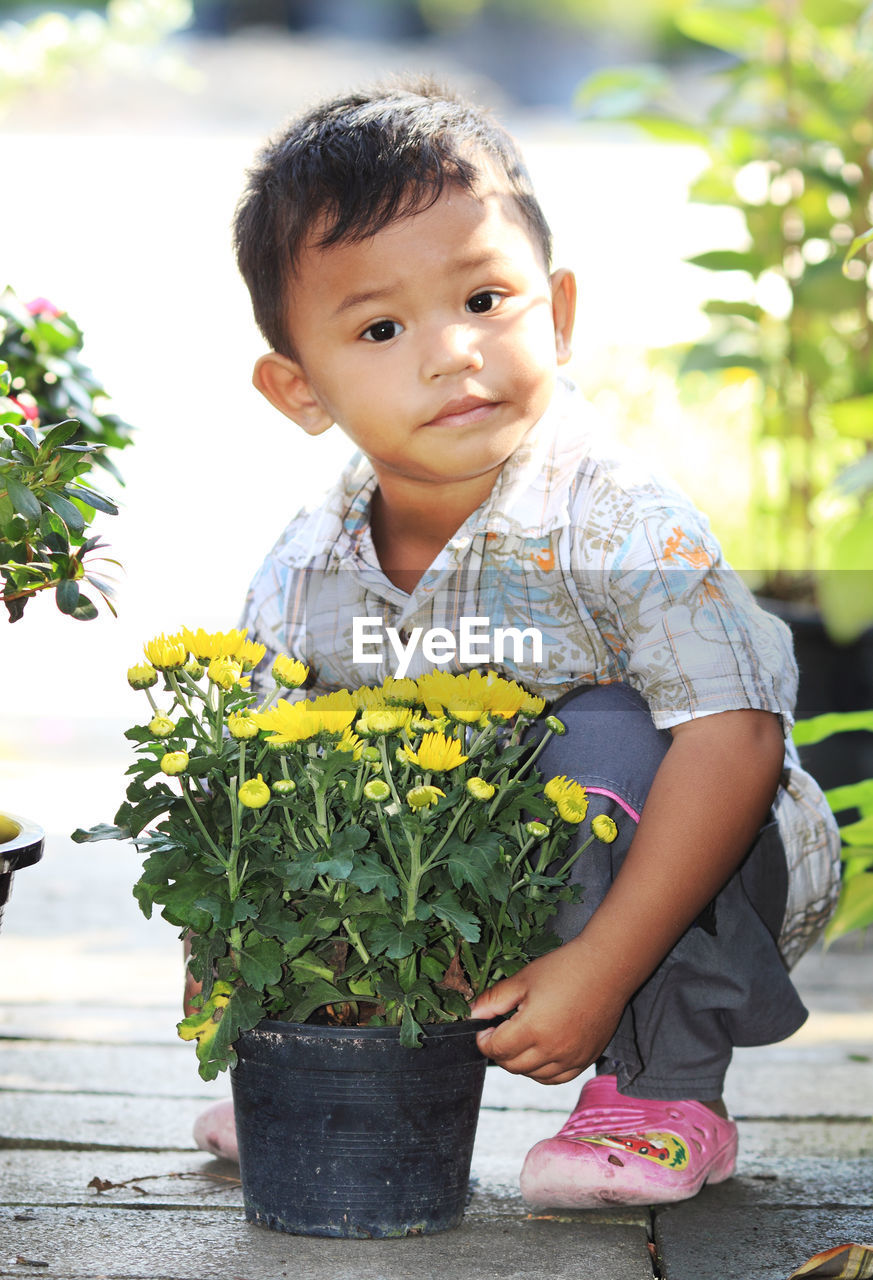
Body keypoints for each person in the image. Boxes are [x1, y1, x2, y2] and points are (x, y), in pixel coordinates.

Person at [190, 78, 841, 1208]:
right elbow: (247, 771)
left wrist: (597, 967)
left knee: (604, 730)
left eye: (487, 297)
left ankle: (663, 1083)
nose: (451, 352)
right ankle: (343, 1056)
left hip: (707, 852)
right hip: (475, 870)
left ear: (561, 312)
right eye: (382, 327)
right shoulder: (306, 570)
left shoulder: (620, 518)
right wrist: (237, 979)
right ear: (299, 388)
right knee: (297, 777)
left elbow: (735, 739)